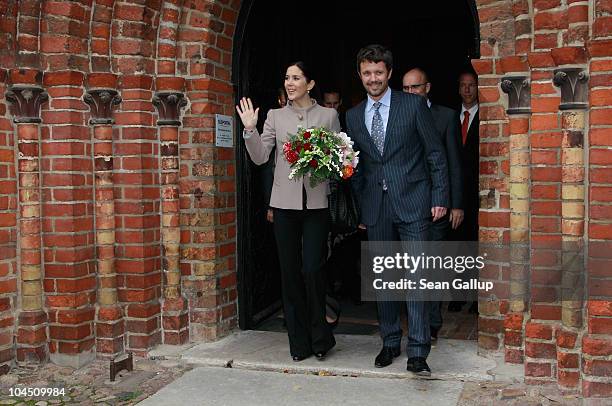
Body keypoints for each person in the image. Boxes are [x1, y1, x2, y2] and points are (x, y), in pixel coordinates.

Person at [346, 45, 449, 376]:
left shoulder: (414, 105)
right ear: (360, 76)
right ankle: (390, 341)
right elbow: (357, 166)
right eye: (367, 73)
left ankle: (418, 349)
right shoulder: (352, 115)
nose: (373, 79)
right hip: (376, 208)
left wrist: (440, 196)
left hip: (415, 201)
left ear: (389, 73)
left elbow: (435, 153)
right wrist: (362, 206)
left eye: (378, 72)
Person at [236, 61, 340, 362]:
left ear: (310, 84)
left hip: (317, 204)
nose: (290, 82)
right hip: (283, 206)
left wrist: (324, 162)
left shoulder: (328, 115)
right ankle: (299, 343)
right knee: (290, 273)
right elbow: (259, 158)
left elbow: (339, 159)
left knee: (312, 270)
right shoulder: (275, 116)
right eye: (287, 78)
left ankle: (322, 337)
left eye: (296, 78)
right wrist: (250, 130)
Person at [402, 67, 464, 341]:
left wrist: (456, 204)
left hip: (436, 205)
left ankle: (432, 322)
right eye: (405, 88)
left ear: (427, 88)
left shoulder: (446, 116)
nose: (411, 93)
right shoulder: (397, 114)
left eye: (415, 87)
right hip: (406, 203)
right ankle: (420, 323)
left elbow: (453, 163)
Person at [448, 69, 480, 314]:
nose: (467, 89)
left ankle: (478, 298)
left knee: (476, 243)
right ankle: (458, 295)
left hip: (478, 191)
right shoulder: (450, 116)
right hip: (454, 192)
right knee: (456, 244)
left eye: (471, 85)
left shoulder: (487, 116)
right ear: (458, 88)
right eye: (463, 85)